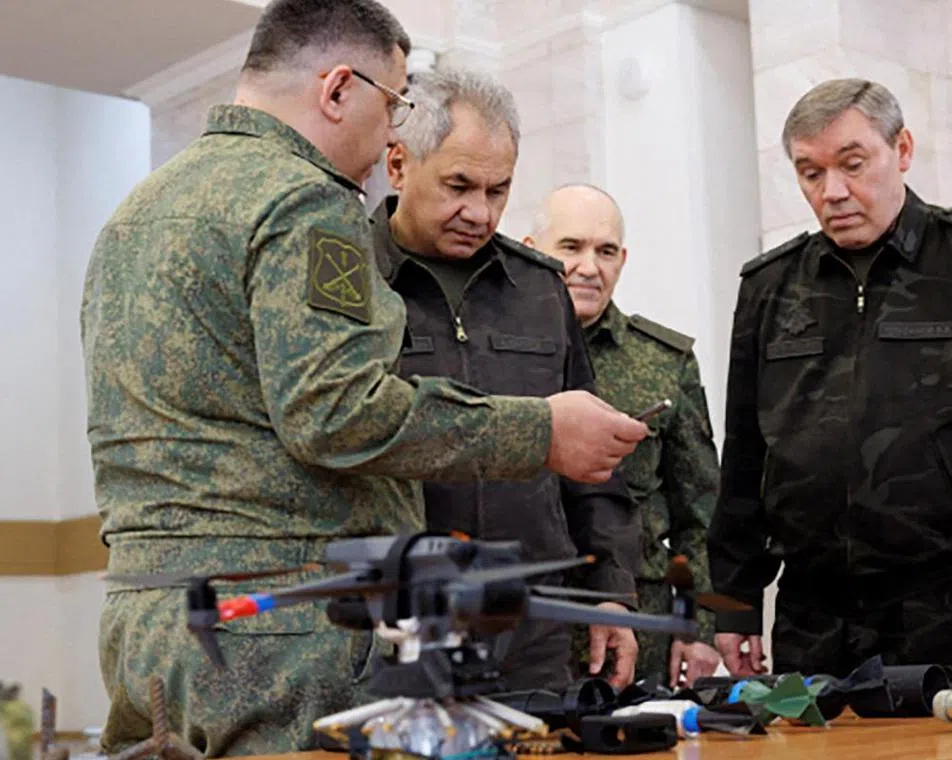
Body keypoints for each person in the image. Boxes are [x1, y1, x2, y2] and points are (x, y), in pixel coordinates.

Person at [82, 1, 647, 756]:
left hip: (150, 620)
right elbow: (336, 411)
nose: (392, 134)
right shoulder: (303, 200)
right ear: (339, 88)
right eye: (395, 103)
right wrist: (540, 430)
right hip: (280, 631)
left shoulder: (136, 212)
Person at [709, 78, 952, 679]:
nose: (833, 192)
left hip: (945, 609)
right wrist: (728, 605)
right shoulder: (769, 288)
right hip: (808, 619)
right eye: (810, 174)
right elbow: (743, 461)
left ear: (901, 150)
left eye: (853, 164)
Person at [370, 70, 640, 691]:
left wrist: (610, 593)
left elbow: (593, 466)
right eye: (458, 186)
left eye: (499, 190)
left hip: (532, 628)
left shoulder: (541, 290)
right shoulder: (351, 284)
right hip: (399, 627)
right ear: (398, 164)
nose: (479, 212)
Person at [523, 184, 722, 686]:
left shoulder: (661, 361)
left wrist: (698, 626)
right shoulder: (500, 357)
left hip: (637, 632)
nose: (590, 266)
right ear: (530, 250)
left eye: (605, 251)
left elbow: (700, 511)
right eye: (570, 247)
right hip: (522, 629)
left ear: (623, 259)